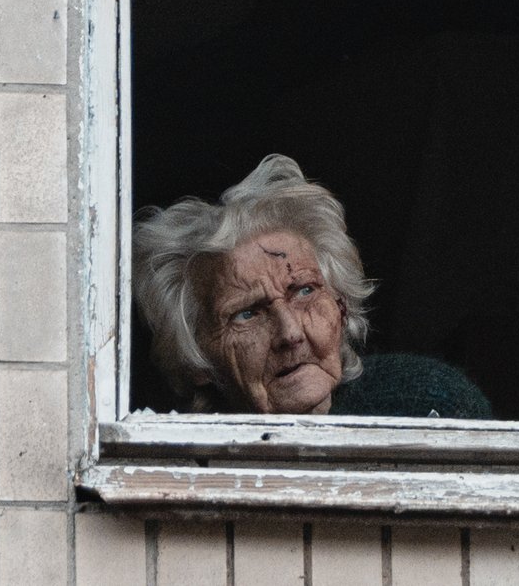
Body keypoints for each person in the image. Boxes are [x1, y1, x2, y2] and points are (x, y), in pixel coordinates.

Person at [132, 154, 491, 418]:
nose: (290, 334)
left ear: (340, 305)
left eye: (304, 291)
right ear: (196, 360)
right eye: (247, 313)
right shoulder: (182, 459)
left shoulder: (429, 402)